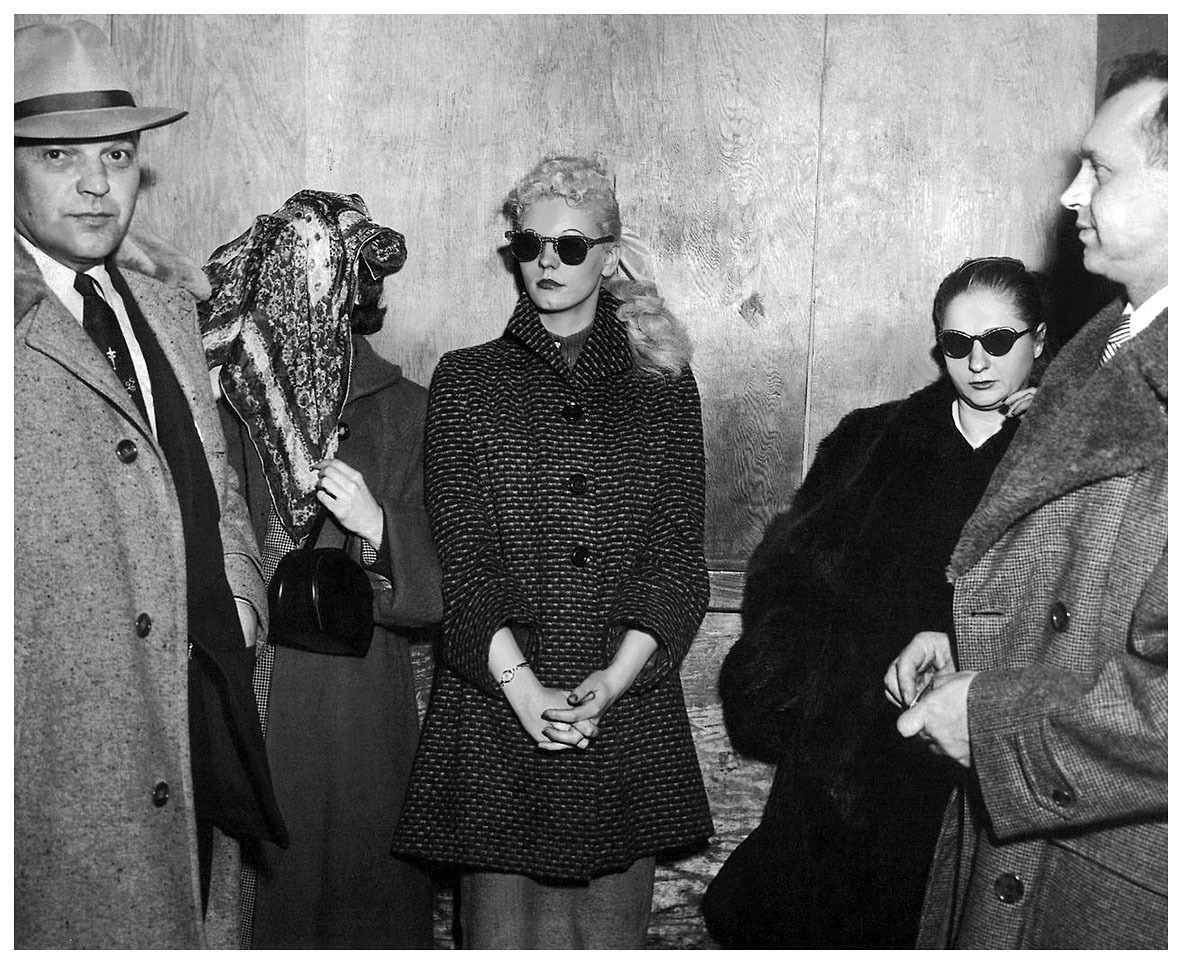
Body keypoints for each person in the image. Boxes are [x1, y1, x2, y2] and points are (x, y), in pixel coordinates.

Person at [391, 155, 713, 949]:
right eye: (529, 245)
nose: (547, 262)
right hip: (497, 718)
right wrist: (525, 690)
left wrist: (611, 680)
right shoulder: (466, 381)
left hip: (624, 718)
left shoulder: (664, 383)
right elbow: (461, 557)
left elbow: (675, 560)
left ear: (609, 253)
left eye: (570, 246)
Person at [884, 51, 1167, 949]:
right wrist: (980, 645)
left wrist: (993, 719)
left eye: (1103, 169)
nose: (1071, 194)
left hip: (1120, 875)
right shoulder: (1113, 341)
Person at [14, 20, 286, 949]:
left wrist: (241, 595)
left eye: (118, 155)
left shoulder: (170, 311)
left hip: (196, 732)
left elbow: (221, 485)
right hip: (55, 766)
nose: (97, 183)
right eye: (59, 155)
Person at [705, 257, 1049, 948]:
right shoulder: (870, 443)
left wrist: (1057, 423)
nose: (976, 362)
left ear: (1038, 341)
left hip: (980, 772)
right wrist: (822, 698)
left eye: (998, 341)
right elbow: (786, 577)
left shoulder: (1058, 456)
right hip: (854, 769)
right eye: (956, 344)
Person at [200, 190, 442, 949]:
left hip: (362, 699)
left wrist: (377, 527)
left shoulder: (410, 410)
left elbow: (445, 584)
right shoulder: (222, 410)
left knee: (362, 893)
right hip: (252, 693)